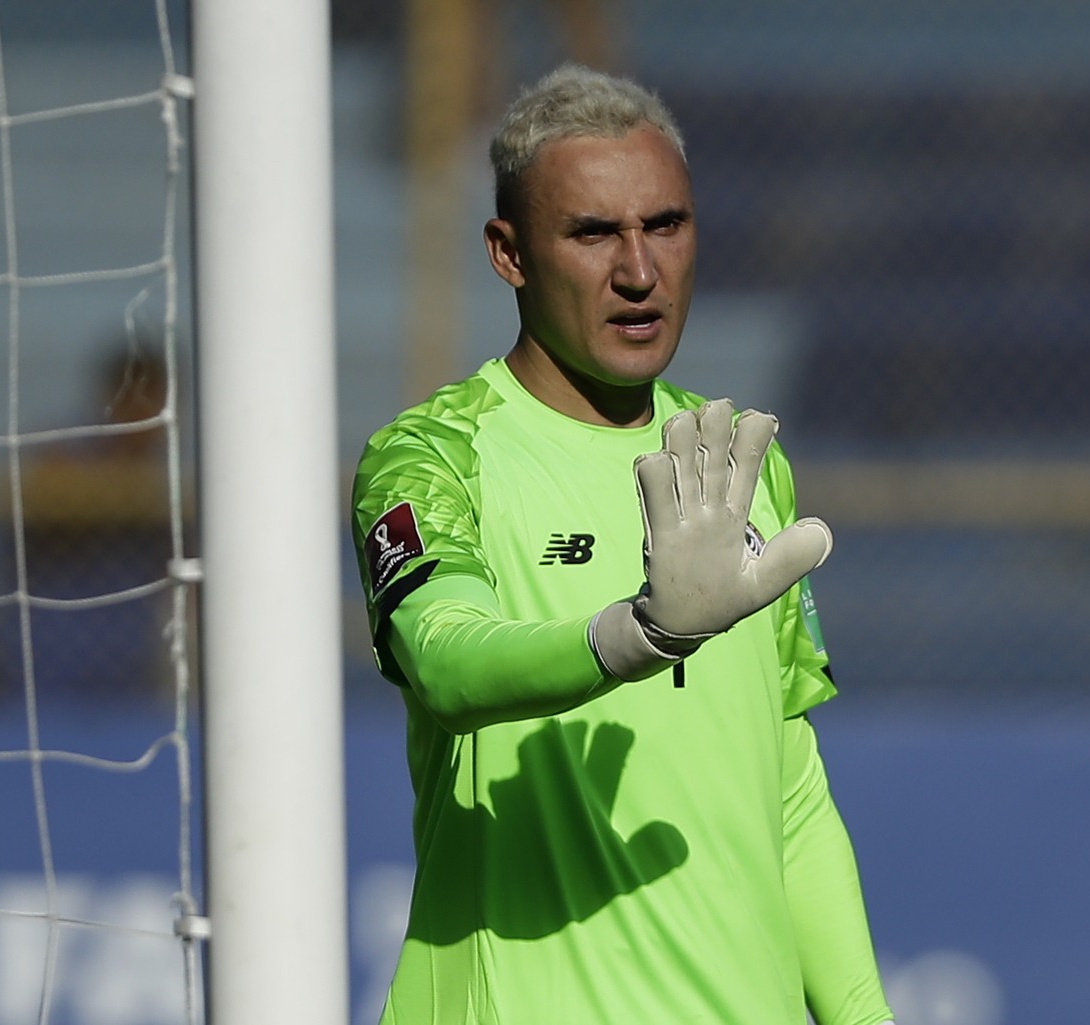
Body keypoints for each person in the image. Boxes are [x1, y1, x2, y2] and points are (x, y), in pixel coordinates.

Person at [351, 63, 894, 1025]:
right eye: (594, 233)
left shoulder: (735, 461)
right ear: (508, 253)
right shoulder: (432, 457)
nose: (639, 271)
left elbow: (790, 781)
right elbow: (444, 662)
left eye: (666, 226)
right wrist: (637, 633)